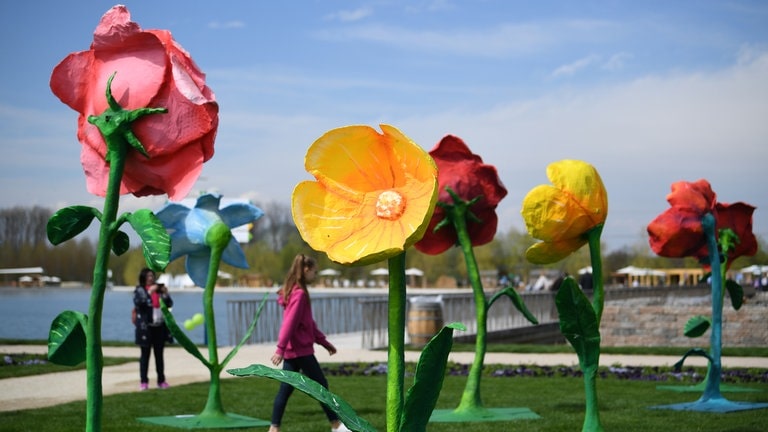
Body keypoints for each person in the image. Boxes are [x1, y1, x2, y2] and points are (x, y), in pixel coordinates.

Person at [268, 254, 351, 432]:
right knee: (321, 386)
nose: (315, 275)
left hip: (295, 351)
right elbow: (289, 323)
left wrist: (324, 342)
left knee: (286, 389)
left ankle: (274, 428)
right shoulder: (299, 295)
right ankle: (336, 425)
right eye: (315, 272)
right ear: (306, 270)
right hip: (301, 352)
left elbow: (308, 324)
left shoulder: (296, 293)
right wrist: (280, 349)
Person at [133, 268, 173, 391]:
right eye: (149, 276)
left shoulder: (159, 291)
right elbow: (139, 303)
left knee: (159, 356)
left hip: (159, 327)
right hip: (146, 328)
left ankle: (161, 381)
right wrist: (149, 292)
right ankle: (144, 382)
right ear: (144, 278)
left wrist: (165, 293)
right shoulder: (140, 290)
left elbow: (170, 304)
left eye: (152, 276)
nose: (151, 278)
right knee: (145, 356)